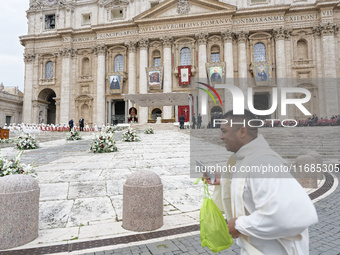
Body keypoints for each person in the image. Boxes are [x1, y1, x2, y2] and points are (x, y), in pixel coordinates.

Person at [206, 110, 318, 255]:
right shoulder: (248, 159)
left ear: (242, 131)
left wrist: (239, 225)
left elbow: (284, 216)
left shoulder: (264, 163)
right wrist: (225, 181)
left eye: (224, 131)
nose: (221, 137)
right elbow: (250, 188)